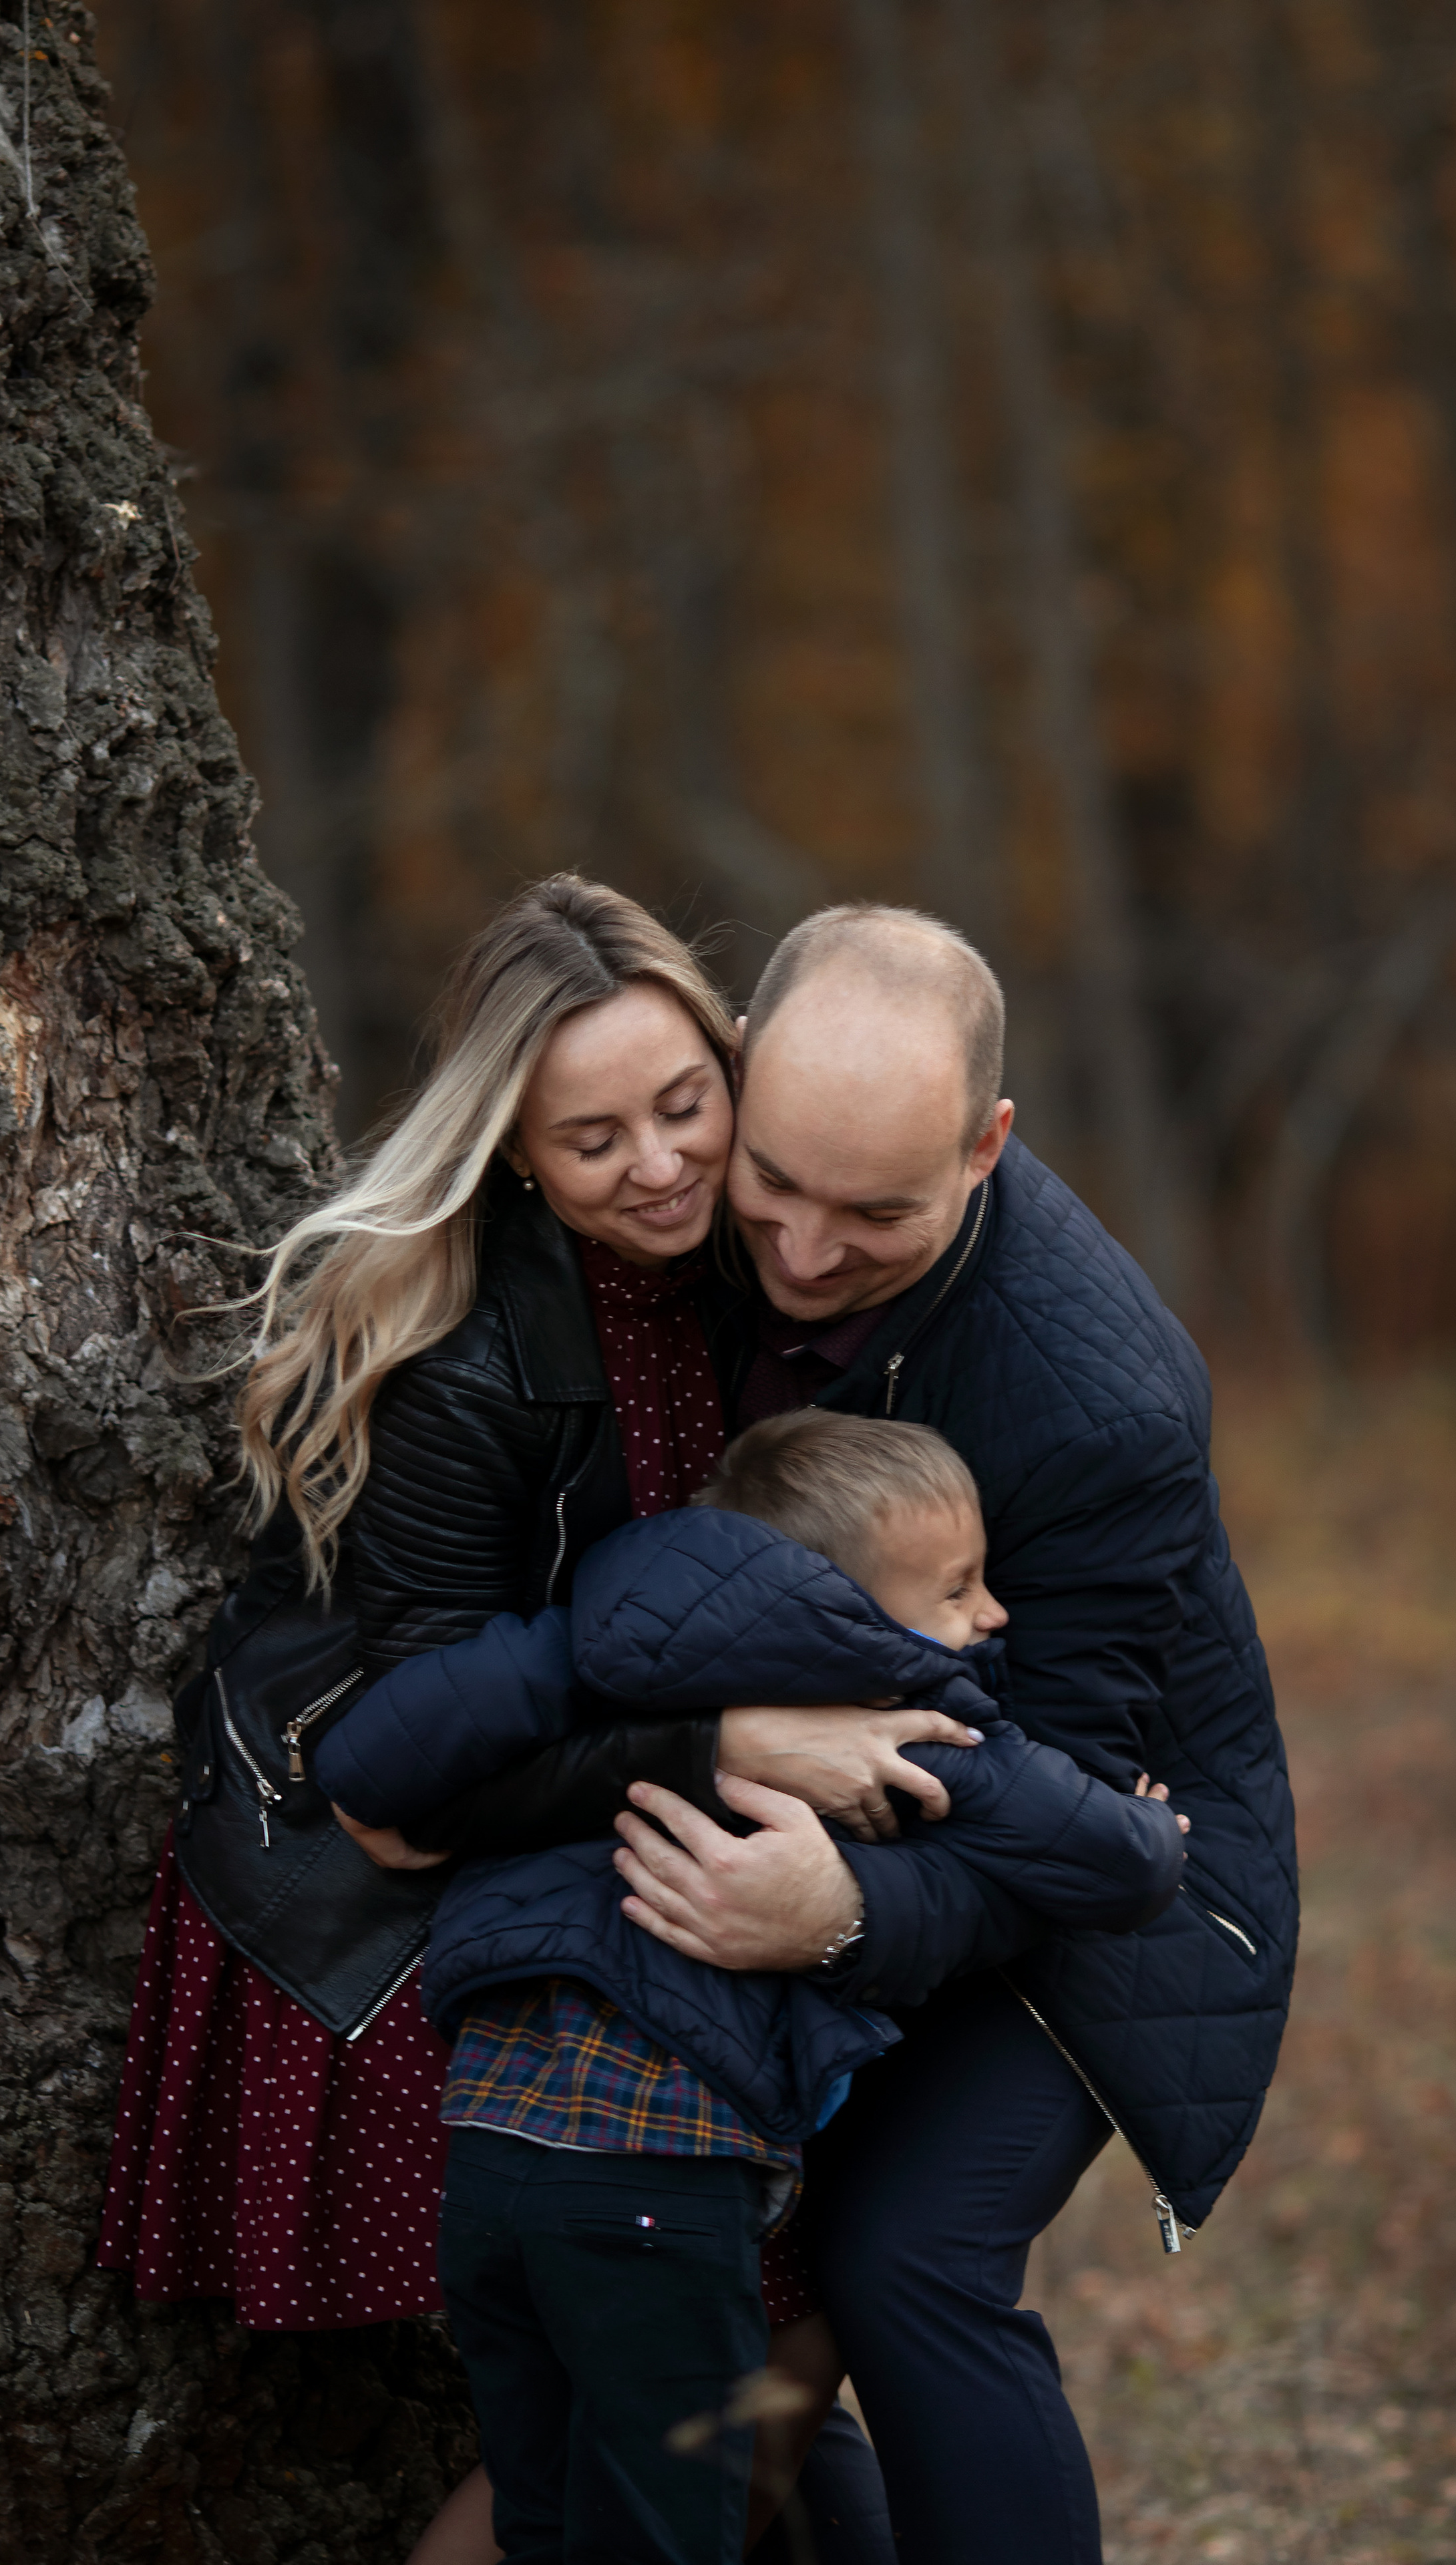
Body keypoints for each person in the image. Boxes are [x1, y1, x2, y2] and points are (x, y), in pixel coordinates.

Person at [98, 877, 958, 2565]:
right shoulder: (468, 1360)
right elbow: (419, 1775)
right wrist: (723, 1754)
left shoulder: (746, 1271)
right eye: (590, 1138)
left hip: (569, 1861)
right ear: (512, 1154)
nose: (655, 1163)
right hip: (379, 1907)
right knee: (709, 2364)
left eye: (682, 1105)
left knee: (749, 2363)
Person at [588, 904, 1299, 2565]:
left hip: (1110, 1886)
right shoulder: (664, 1195)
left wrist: (831, 1916)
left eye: (876, 1214)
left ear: (986, 1146)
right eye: (774, 1181)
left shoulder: (1097, 1400)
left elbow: (1049, 1817)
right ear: (736, 1082)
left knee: (897, 2255)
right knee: (673, 2259)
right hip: (822, 1804)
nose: (804, 1251)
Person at [313, 1408, 1188, 2564]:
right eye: (960, 1586)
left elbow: (362, 1767)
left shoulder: (588, 1633)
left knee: (542, 2514)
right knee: (667, 2531)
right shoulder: (891, 1703)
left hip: (481, 2167)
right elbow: (1112, 1866)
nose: (992, 1615)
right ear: (844, 1604)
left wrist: (574, 1665)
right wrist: (1152, 1825)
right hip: (654, 2179)